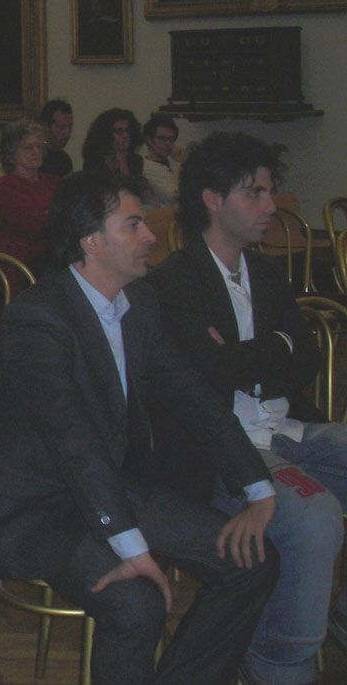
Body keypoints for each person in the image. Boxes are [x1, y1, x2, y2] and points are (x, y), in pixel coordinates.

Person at [0, 172, 278, 685]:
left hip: (107, 491)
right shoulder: (38, 318)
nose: (151, 236)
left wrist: (258, 486)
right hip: (39, 510)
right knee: (137, 604)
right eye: (134, 224)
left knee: (254, 563)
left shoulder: (138, 307)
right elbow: (73, 443)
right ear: (92, 240)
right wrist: (131, 547)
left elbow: (196, 398)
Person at [148, 131, 347, 685]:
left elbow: (301, 355)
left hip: (286, 425)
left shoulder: (264, 272)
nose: (269, 205)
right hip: (222, 448)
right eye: (254, 193)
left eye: (268, 191)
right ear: (213, 199)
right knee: (314, 516)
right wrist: (271, 350)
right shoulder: (174, 282)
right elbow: (209, 376)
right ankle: (277, 658)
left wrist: (248, 354)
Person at [0, 119, 61, 270]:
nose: (36, 152)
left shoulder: (52, 181)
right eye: (28, 147)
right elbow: (34, 225)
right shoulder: (7, 186)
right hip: (25, 264)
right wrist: (58, 214)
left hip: (53, 256)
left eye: (39, 147)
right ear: (11, 155)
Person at [81, 107, 146, 185]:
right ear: (107, 133)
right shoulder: (94, 159)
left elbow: (132, 188)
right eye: (119, 131)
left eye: (128, 131)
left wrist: (122, 161)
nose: (125, 135)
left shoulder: (135, 160)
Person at [140, 114, 182, 208]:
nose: (168, 144)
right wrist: (185, 164)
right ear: (149, 140)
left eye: (171, 139)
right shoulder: (145, 167)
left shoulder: (174, 163)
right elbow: (174, 196)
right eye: (162, 138)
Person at [38, 98, 75, 178]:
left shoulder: (65, 159)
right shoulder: (35, 157)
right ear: (45, 127)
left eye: (70, 127)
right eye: (62, 127)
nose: (67, 134)